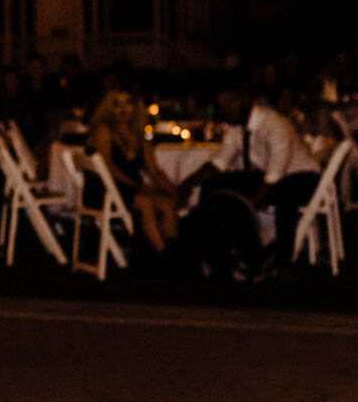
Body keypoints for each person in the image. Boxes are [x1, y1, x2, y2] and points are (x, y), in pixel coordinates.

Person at [178, 88, 321, 275]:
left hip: (301, 175)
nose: (225, 110)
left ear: (245, 99)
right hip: (266, 174)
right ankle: (210, 246)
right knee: (215, 183)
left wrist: (245, 207)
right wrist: (187, 183)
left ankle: (283, 261)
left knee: (285, 198)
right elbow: (218, 163)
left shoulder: (274, 124)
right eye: (222, 106)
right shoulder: (236, 127)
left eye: (230, 103)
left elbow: (273, 179)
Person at [84, 89, 178, 253]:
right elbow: (109, 168)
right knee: (145, 201)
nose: (123, 109)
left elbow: (154, 170)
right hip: (104, 189)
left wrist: (171, 189)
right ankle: (163, 255)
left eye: (127, 103)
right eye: (116, 104)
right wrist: (138, 187)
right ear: (109, 108)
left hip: (129, 188)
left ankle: (174, 253)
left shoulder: (141, 133)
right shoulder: (104, 131)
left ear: (135, 106)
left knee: (166, 202)